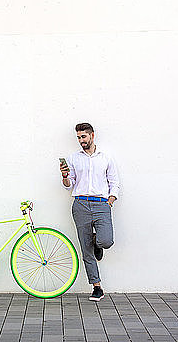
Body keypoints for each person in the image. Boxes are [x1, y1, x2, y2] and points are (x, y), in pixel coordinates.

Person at [60, 122, 120, 301]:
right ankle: (97, 287)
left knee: (106, 241)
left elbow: (114, 182)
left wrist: (110, 200)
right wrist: (64, 177)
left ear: (92, 135)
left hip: (102, 205)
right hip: (81, 205)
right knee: (86, 249)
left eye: (83, 137)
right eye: (78, 137)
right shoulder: (73, 158)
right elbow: (68, 185)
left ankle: (97, 242)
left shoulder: (106, 157)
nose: (81, 140)